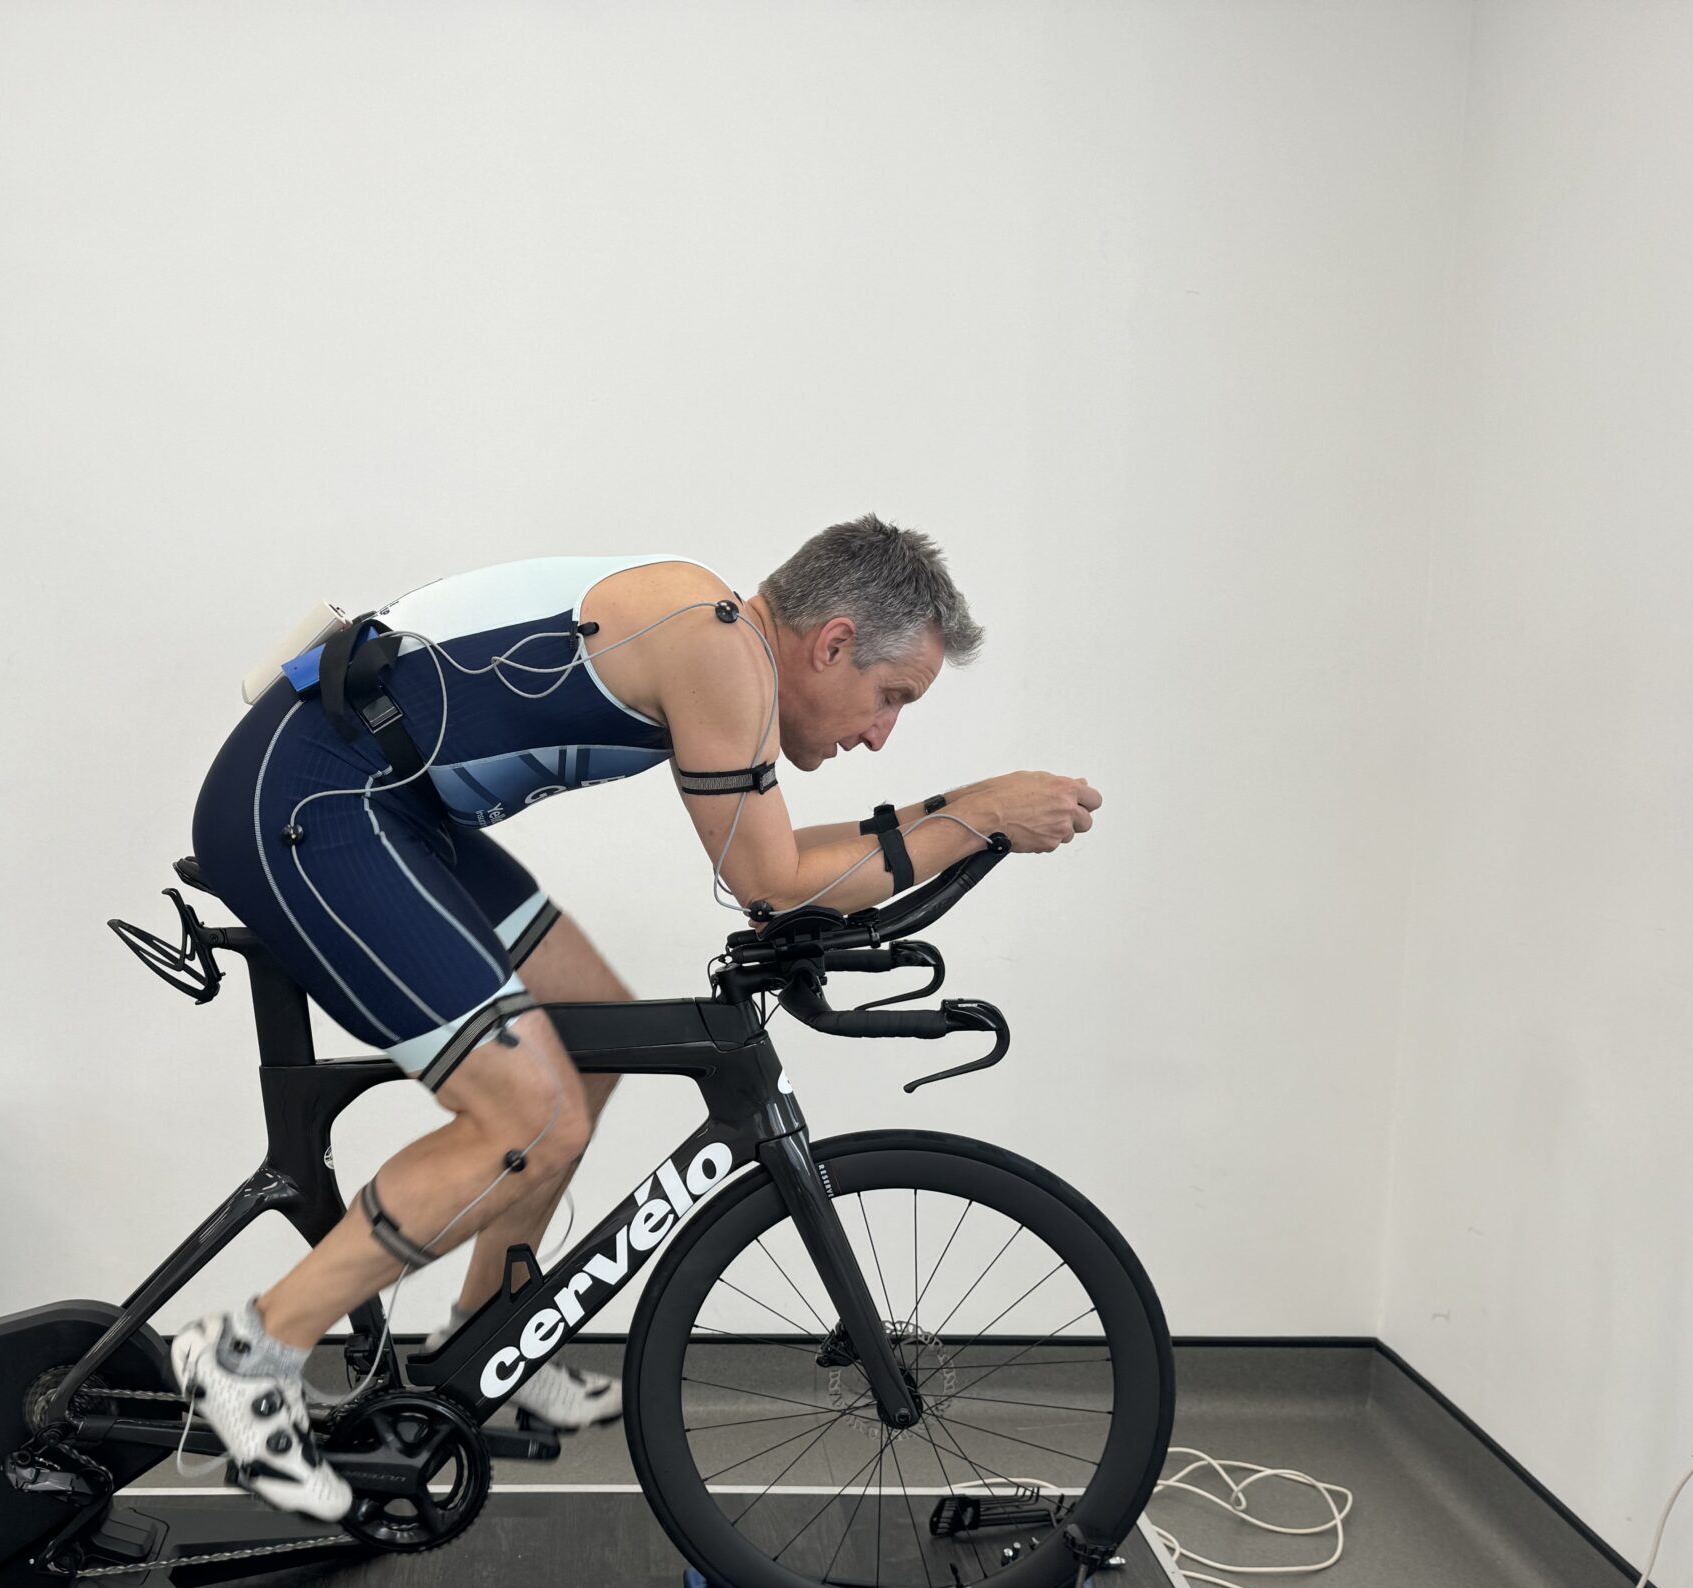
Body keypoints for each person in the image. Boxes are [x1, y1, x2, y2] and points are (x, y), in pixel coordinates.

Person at [173, 514, 1101, 1517]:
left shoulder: (710, 633)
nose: (881, 734)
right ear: (831, 642)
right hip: (314, 800)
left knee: (595, 1032)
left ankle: (494, 1333)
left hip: (386, 801)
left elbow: (779, 858)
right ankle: (245, 1352)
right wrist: (980, 809)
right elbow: (773, 879)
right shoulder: (715, 644)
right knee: (528, 1117)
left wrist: (967, 816)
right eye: (890, 699)